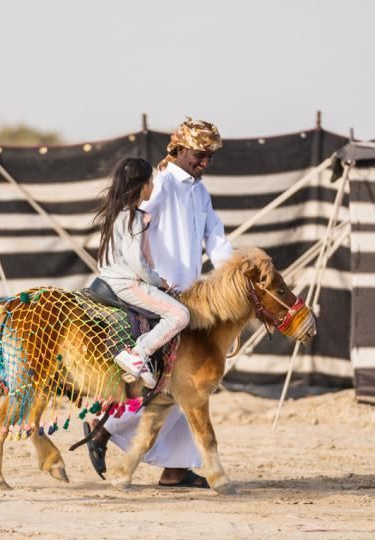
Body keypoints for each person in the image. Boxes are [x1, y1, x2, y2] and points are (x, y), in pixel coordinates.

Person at [88, 118, 231, 488]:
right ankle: (104, 424)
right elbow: (131, 219)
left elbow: (215, 237)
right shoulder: (161, 183)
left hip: (192, 298)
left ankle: (176, 469)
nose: (205, 162)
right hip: (157, 297)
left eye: (210, 156)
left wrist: (230, 280)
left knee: (190, 383)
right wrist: (146, 279)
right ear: (180, 150)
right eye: (200, 155)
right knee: (164, 381)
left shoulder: (200, 191)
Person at [94, 157, 191, 389]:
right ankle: (139, 352)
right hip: (127, 283)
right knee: (180, 315)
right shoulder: (132, 217)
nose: (153, 186)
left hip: (109, 278)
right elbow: (136, 261)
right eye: (150, 181)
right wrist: (159, 282)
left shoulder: (116, 213)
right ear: (142, 186)